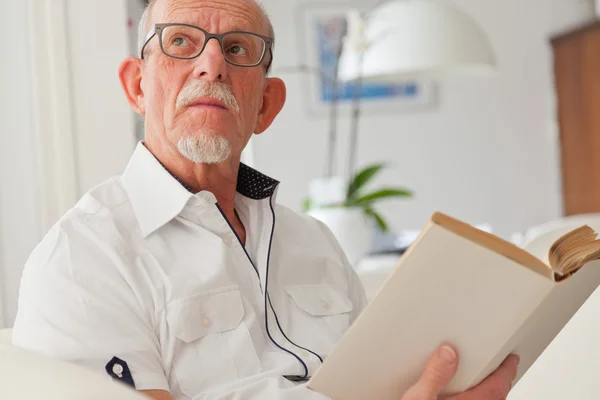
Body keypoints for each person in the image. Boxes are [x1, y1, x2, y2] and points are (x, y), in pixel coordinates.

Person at [12, 0, 519, 399]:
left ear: (266, 105)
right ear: (137, 86)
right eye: (181, 42)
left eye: (237, 50)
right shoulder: (83, 259)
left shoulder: (316, 244)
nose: (211, 64)